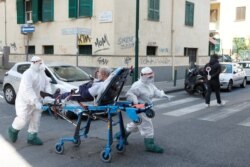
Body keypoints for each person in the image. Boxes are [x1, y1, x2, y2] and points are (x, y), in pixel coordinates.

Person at [116, 67, 171, 153]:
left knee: (136, 124)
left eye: (152, 76)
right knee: (147, 126)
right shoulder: (137, 85)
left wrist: (162, 95)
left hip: (146, 108)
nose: (151, 78)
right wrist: (135, 101)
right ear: (143, 76)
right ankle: (149, 145)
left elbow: (155, 91)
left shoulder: (149, 84)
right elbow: (129, 94)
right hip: (140, 109)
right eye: (149, 77)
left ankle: (120, 135)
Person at [8, 56, 52, 145]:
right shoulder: (27, 74)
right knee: (22, 119)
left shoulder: (42, 72)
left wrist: (48, 95)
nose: (41, 65)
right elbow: (27, 89)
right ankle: (13, 130)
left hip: (38, 101)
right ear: (34, 63)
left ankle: (32, 137)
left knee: (36, 119)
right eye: (40, 63)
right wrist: (35, 101)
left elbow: (47, 83)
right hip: (25, 102)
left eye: (42, 63)